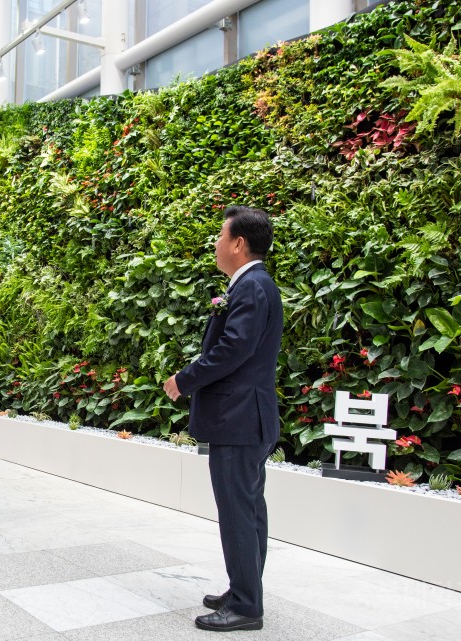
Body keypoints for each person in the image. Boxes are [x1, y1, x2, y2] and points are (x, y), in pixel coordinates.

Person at [163, 206, 283, 633]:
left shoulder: (251, 287)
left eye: (220, 235)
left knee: (238, 513)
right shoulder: (254, 285)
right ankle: (243, 590)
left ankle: (247, 607)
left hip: (239, 418)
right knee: (248, 510)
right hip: (247, 418)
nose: (215, 243)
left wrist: (185, 379)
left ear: (238, 243)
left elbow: (233, 350)